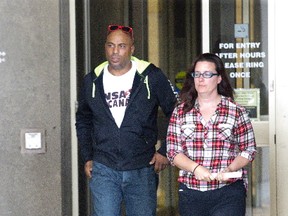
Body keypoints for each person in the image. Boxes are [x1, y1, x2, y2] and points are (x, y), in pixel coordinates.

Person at [75, 24, 177, 216]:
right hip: (104, 166)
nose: (115, 51)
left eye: (122, 46)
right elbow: (83, 120)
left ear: (132, 49)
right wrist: (87, 156)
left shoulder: (150, 76)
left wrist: (165, 150)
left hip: (141, 167)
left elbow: (175, 113)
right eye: (110, 45)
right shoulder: (92, 81)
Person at [166, 53, 257, 216]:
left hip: (228, 192)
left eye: (207, 74)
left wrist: (230, 168)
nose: (201, 79)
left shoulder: (236, 111)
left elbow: (249, 150)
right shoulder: (181, 111)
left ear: (219, 78)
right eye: (197, 74)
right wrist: (195, 168)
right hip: (191, 192)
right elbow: (173, 152)